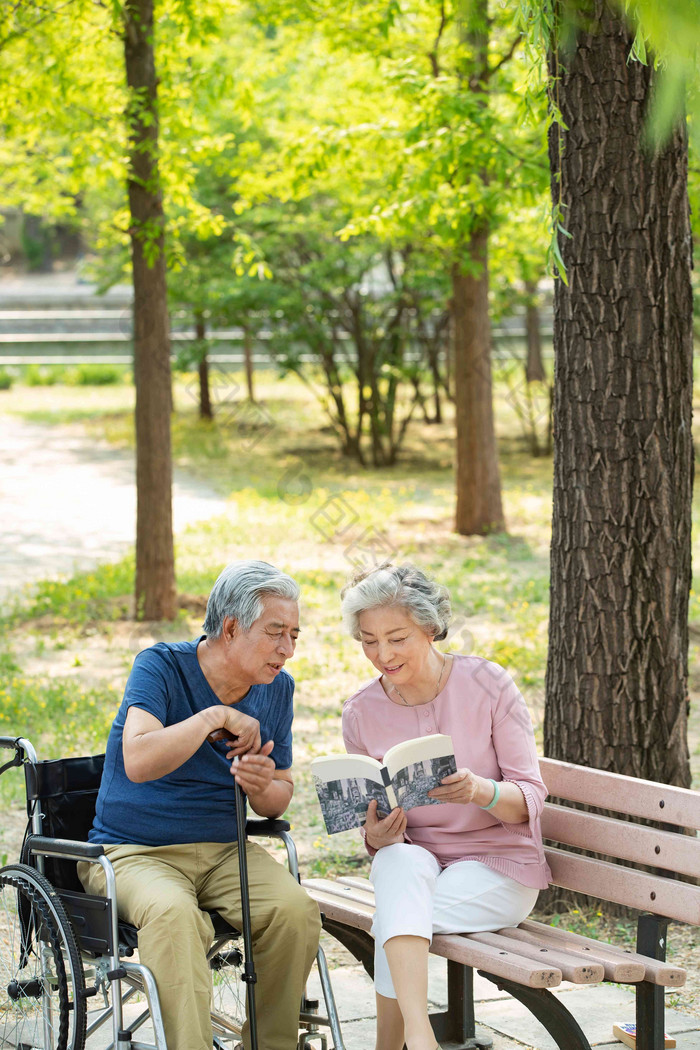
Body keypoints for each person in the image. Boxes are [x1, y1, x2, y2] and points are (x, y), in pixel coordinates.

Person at [78, 559, 321, 1050]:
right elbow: (139, 760)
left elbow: (279, 798)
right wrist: (215, 715)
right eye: (276, 633)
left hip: (225, 851)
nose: (287, 650)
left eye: (294, 635)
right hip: (133, 853)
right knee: (173, 914)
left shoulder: (278, 690)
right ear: (231, 628)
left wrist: (259, 786)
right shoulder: (161, 666)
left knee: (296, 911)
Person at [340, 563, 551, 1050]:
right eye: (368, 640)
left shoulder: (489, 684)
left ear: (430, 627)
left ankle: (396, 1042)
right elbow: (370, 828)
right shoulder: (361, 711)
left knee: (397, 916)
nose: (382, 654)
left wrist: (481, 791)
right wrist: (376, 835)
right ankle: (419, 1038)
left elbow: (531, 797)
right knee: (397, 862)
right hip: (417, 864)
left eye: (396, 638)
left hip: (500, 867)